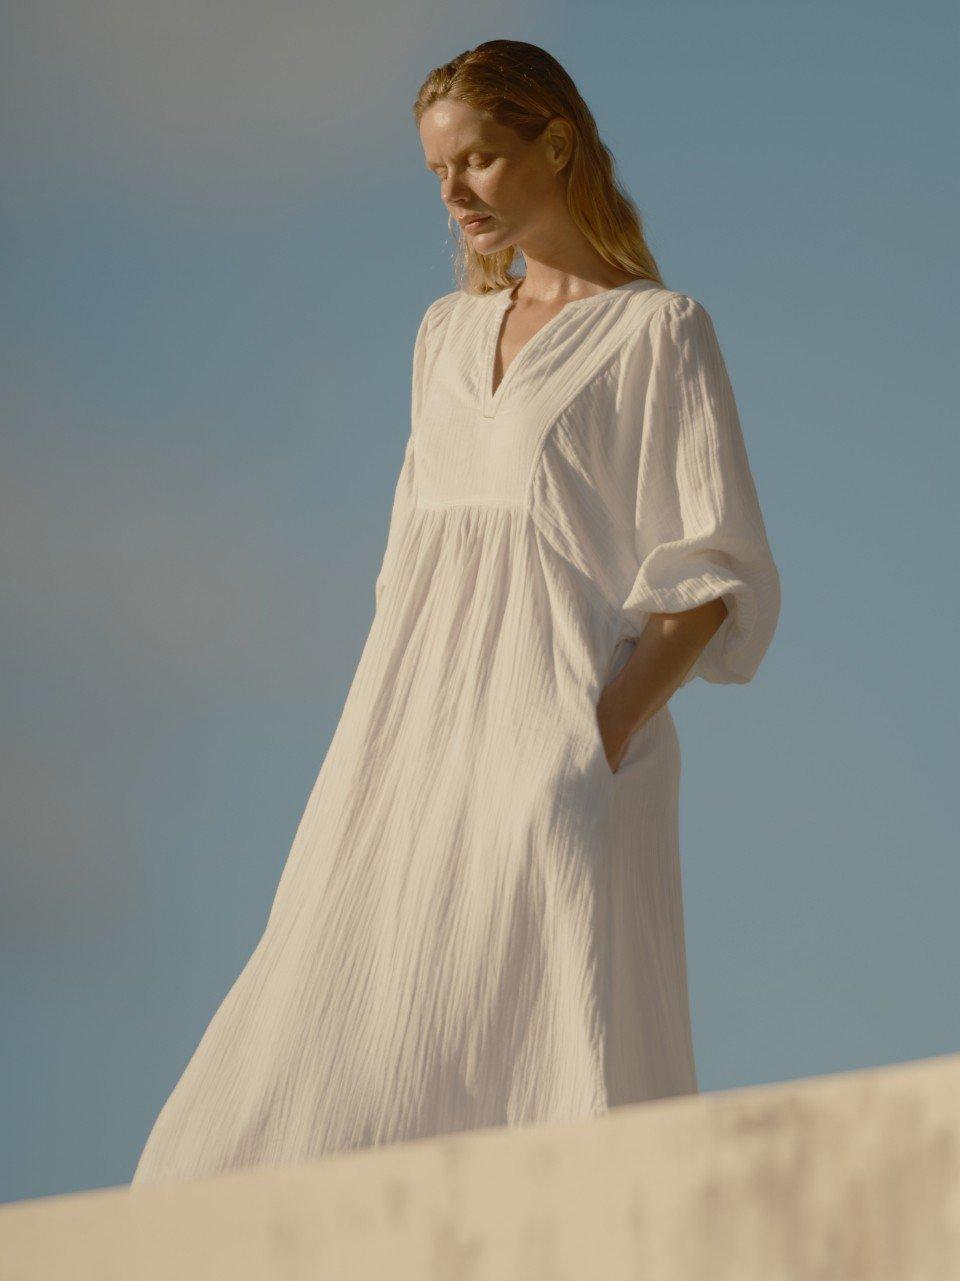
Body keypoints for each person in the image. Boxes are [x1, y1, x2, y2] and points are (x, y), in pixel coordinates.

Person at [130, 39, 781, 1186]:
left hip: (567, 743)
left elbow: (714, 574)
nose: (455, 192)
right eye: (437, 169)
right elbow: (412, 572)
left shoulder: (656, 332)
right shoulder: (440, 338)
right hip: (411, 730)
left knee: (557, 1042)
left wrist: (594, 738)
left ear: (556, 143)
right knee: (325, 1017)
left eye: (479, 157)